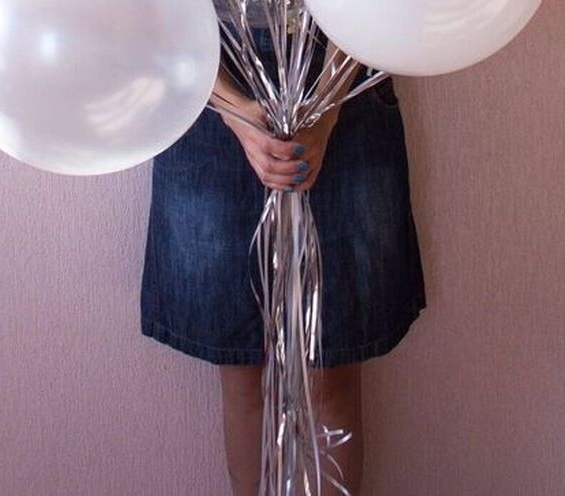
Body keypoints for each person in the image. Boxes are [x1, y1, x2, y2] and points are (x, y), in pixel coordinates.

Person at [140, 29, 425, 495]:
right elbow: (154, 0)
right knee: (241, 368)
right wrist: (233, 109)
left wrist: (327, 109)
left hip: (343, 78)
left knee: (332, 364)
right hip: (209, 84)